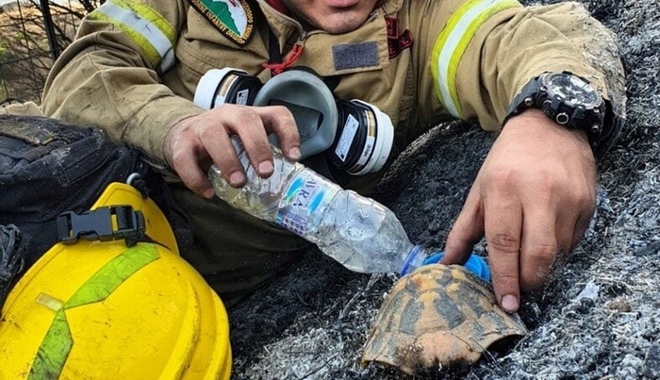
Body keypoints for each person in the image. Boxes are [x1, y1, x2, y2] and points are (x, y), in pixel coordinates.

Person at [34, 0, 625, 312]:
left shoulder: (414, 20)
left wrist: (553, 117)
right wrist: (177, 123)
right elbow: (84, 73)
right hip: (60, 215)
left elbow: (521, 37)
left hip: (170, 298)